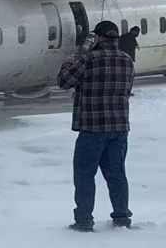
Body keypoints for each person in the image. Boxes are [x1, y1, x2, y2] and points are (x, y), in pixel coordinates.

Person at [57, 20, 136, 231]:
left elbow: (65, 82)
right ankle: (122, 218)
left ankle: (83, 220)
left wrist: (67, 63)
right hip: (119, 127)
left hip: (92, 128)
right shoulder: (127, 60)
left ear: (99, 38)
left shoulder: (89, 59)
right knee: (117, 174)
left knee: (84, 175)